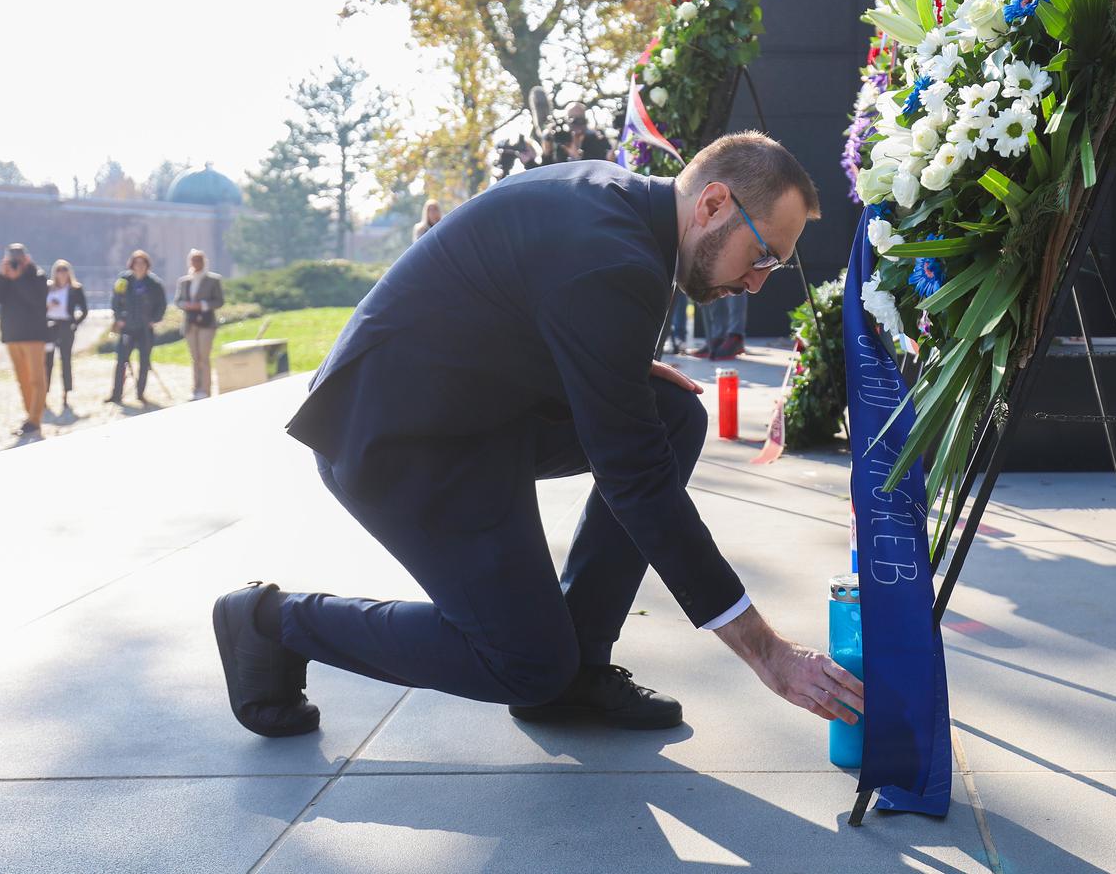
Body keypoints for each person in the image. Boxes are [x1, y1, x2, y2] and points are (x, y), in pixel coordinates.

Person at [211, 131, 864, 742]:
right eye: (764, 256)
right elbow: (632, 477)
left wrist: (613, 363)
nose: (756, 281)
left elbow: (510, 289)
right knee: (524, 664)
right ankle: (270, 623)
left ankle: (577, 670)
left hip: (471, 414)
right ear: (714, 204)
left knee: (671, 414)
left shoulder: (618, 207)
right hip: (395, 440)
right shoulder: (614, 259)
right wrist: (766, 651)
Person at [0, 243, 49, 438]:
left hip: (33, 336)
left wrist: (19, 278)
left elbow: (36, 301)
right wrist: (1, 276)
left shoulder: (37, 276)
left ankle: (35, 420)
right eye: (11, 258)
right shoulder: (5, 277)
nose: (15, 262)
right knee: (23, 380)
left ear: (26, 259)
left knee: (36, 379)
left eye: (18, 258)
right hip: (12, 336)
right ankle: (29, 417)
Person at [109, 250, 167, 404]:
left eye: (142, 263)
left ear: (147, 265)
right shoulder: (123, 280)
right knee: (121, 360)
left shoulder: (154, 283)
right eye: (136, 263)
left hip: (145, 329)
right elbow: (115, 301)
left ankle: (140, 393)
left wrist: (154, 319)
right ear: (132, 265)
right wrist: (119, 318)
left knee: (144, 361)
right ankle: (116, 394)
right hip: (127, 327)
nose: (139, 266)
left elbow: (162, 305)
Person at [175, 249, 225, 400]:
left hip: (206, 323)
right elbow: (178, 301)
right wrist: (187, 305)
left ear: (204, 262)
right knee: (194, 357)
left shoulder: (213, 280)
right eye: (193, 260)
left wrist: (202, 305)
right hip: (190, 323)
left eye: (199, 260)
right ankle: (196, 388)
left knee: (204, 357)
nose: (196, 263)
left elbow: (219, 301)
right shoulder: (184, 282)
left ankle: (205, 389)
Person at [44, 260, 89, 412]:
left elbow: (84, 310)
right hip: (49, 327)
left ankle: (65, 394)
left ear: (68, 272)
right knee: (47, 362)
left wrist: (75, 324)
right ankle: (44, 394)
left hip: (65, 327)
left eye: (64, 271)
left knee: (66, 361)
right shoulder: (48, 288)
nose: (62, 274)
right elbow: (39, 306)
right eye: (59, 270)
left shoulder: (75, 289)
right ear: (55, 273)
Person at [538, 102, 611, 165]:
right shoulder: (561, 141)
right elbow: (547, 169)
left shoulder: (597, 140)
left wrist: (576, 156)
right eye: (571, 118)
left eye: (580, 118)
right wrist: (547, 151)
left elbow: (600, 166)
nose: (575, 122)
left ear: (585, 119)